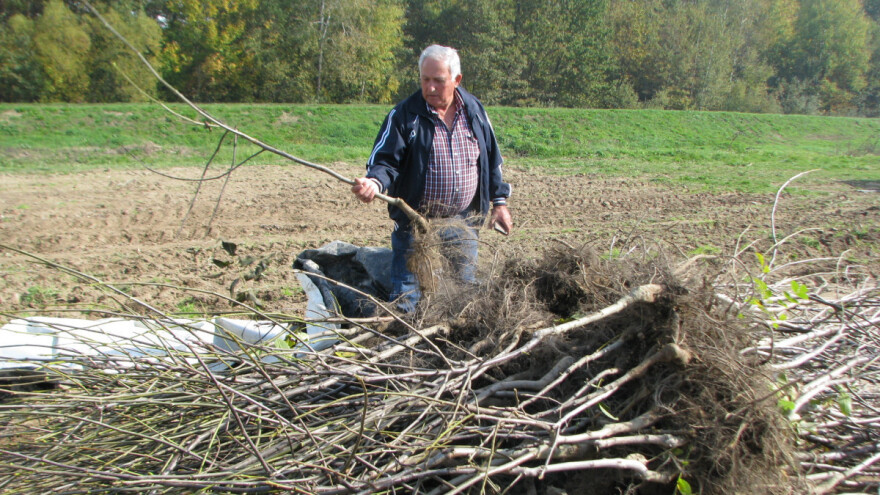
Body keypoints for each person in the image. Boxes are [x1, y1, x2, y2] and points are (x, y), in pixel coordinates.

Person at [351, 44, 512, 312]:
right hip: (415, 222)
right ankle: (405, 334)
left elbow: (490, 159)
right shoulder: (405, 115)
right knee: (407, 296)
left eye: (438, 80)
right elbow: (385, 161)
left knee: (464, 293)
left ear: (457, 80)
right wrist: (373, 182)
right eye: (425, 80)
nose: (431, 87)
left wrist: (500, 203)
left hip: (462, 221)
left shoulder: (474, 111)